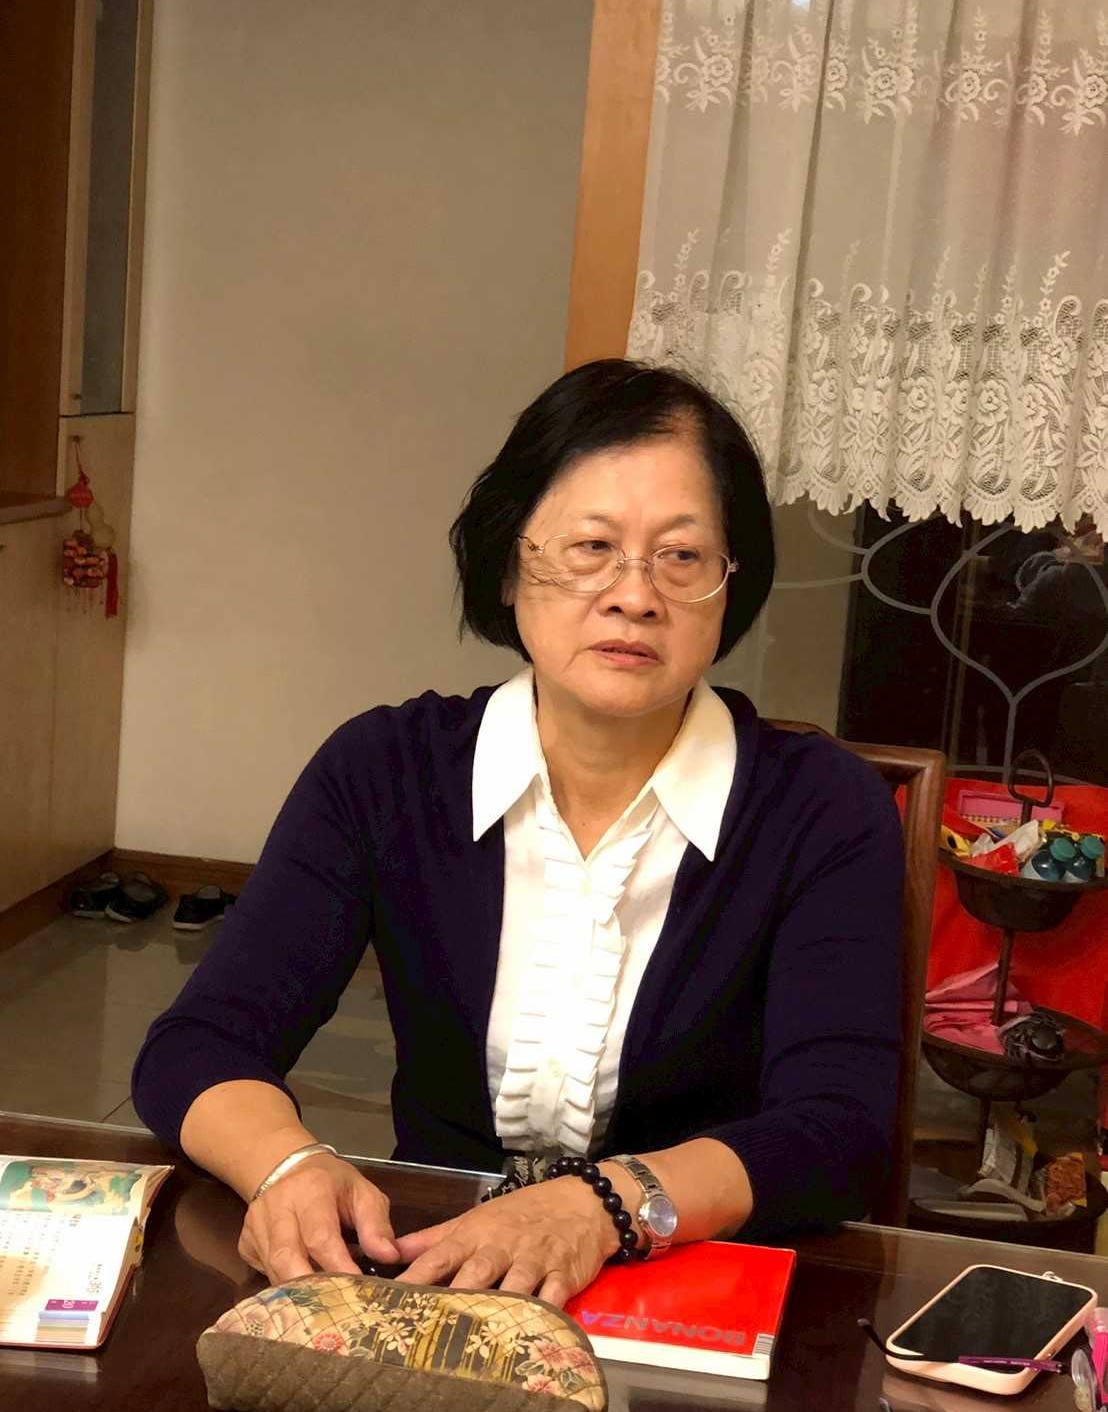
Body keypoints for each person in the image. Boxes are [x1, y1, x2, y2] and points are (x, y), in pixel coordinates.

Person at [132, 360, 904, 1306]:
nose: (635, 595)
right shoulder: (385, 770)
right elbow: (200, 1044)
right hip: (434, 1274)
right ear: (508, 564)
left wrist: (604, 1206)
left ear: (728, 588)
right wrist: (287, 1166)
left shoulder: (821, 806)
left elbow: (838, 1131)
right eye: (591, 547)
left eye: (682, 556)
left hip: (695, 1292)